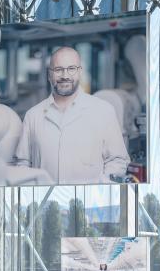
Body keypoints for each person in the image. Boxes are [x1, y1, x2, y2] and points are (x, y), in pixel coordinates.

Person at [14, 46, 129, 184]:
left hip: (90, 197)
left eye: (71, 69)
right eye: (58, 69)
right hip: (46, 197)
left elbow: (117, 160)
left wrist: (100, 188)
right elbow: (22, 164)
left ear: (80, 72)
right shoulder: (33, 116)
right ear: (49, 74)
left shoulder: (103, 111)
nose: (65, 76)